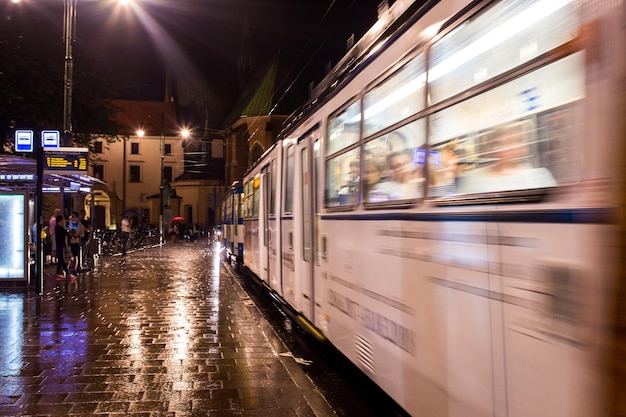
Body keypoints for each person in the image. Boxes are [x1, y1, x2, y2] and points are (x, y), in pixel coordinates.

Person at [457, 124, 557, 194]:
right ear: (494, 147)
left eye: (519, 141)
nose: (514, 147)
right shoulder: (474, 178)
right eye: (508, 142)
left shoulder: (539, 177)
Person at [55, 215, 76, 281]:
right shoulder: (59, 228)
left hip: (60, 246)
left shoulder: (58, 228)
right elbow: (66, 234)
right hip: (61, 246)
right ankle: (66, 273)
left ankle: (61, 273)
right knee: (62, 260)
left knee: (61, 260)